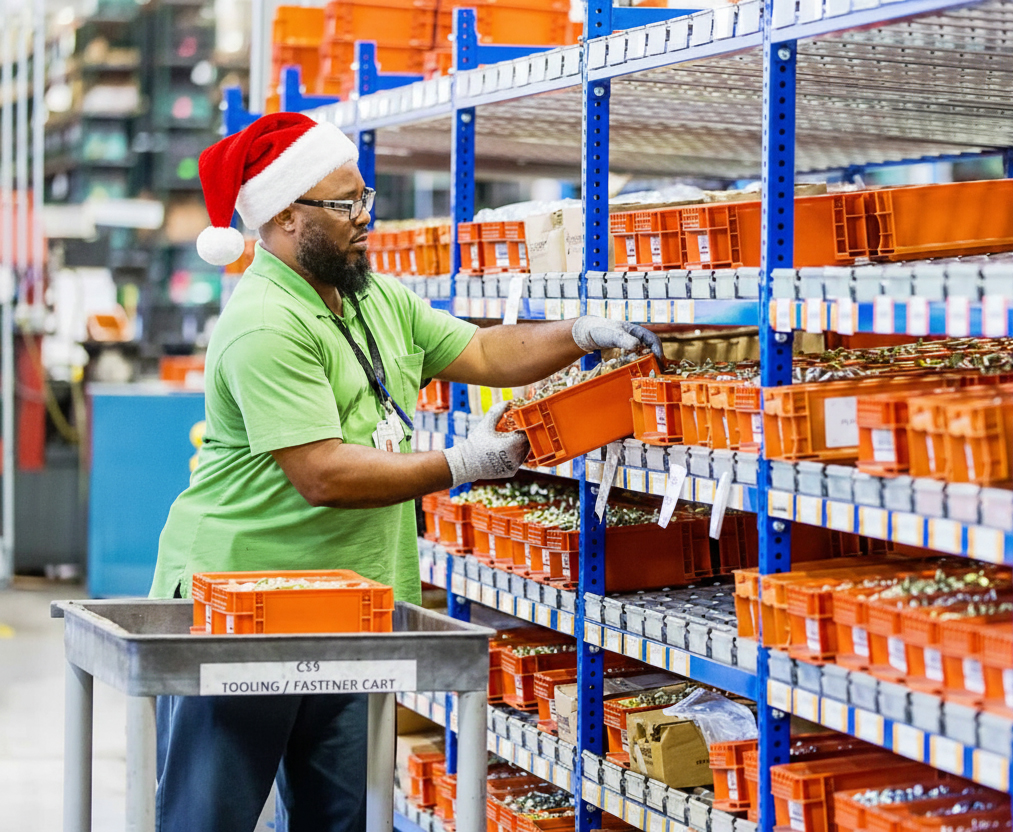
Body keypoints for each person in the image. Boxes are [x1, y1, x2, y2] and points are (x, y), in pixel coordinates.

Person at [150, 112, 662, 832]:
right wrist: (460, 463)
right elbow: (322, 473)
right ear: (288, 216)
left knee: (340, 818)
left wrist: (577, 334)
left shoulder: (370, 296)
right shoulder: (266, 322)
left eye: (366, 199)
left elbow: (482, 354)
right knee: (211, 817)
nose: (367, 219)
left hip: (345, 605)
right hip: (246, 605)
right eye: (346, 204)